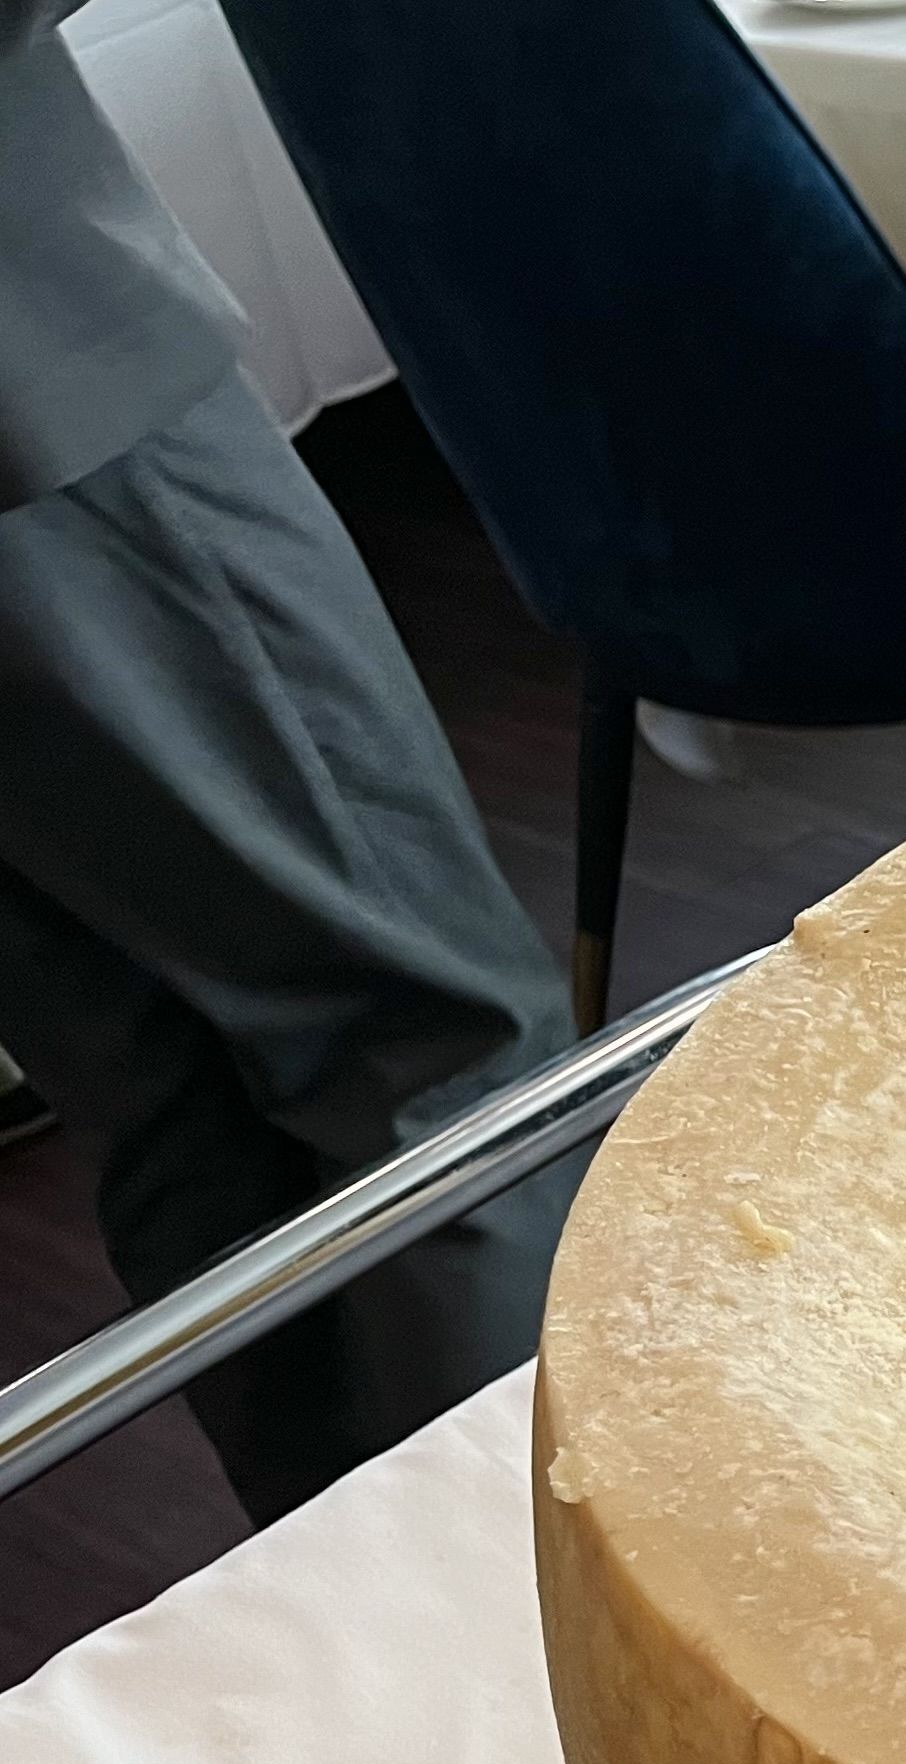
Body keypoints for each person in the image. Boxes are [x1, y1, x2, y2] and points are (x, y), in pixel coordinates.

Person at [2, 0, 575, 1521]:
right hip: (39, 382)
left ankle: (363, 1583)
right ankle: (530, 1627)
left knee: (162, 1079)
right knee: (436, 1050)